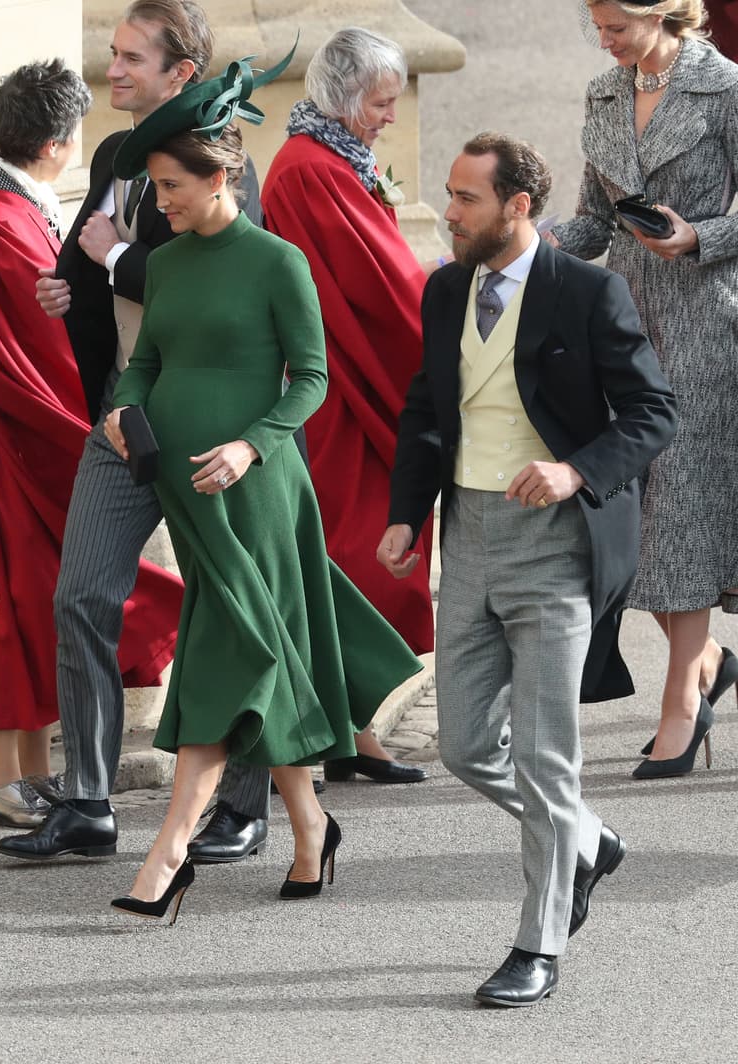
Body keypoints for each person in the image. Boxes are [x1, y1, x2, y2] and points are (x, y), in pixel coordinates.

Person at [102, 61, 423, 922]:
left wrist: (250, 446)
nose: (159, 202)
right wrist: (122, 413)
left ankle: (168, 852)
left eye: (171, 186)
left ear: (221, 176)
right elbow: (144, 366)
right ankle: (312, 826)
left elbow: (311, 379)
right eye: (157, 188)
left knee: (230, 648)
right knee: (261, 654)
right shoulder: (165, 265)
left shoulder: (278, 261)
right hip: (183, 489)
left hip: (258, 493)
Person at [379, 133, 677, 1006]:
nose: (449, 212)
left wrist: (575, 469)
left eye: (467, 198)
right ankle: (587, 838)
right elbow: (426, 408)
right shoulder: (444, 289)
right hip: (466, 537)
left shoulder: (588, 292)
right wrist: (406, 512)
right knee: (466, 746)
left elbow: (653, 412)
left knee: (548, 760)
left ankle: (537, 945)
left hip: (555, 549)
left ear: (518, 207)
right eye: (449, 194)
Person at [0, 0, 276, 864]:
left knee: (230, 608)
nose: (110, 69)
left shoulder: (225, 162)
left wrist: (112, 258)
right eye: (111, 53)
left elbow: (210, 289)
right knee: (80, 595)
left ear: (181, 74)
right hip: (120, 417)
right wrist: (67, 284)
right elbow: (90, 248)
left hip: (207, 430)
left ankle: (244, 800)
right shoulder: (118, 153)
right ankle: (87, 803)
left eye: (130, 58)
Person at [0, 60, 180, 827]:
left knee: (38, 597)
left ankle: (32, 770)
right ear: (54, 143)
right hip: (25, 442)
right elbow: (36, 354)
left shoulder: (8, 211)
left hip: (29, 436)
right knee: (26, 598)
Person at [548, 0, 738, 779]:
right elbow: (595, 222)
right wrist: (533, 241)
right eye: (596, 26)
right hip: (624, 325)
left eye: (615, 25)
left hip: (704, 321)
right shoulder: (603, 93)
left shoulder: (724, 88)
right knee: (642, 510)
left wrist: (698, 235)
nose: (604, 40)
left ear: (663, 13)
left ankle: (682, 703)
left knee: (683, 510)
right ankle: (707, 661)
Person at [261, 26, 434, 786]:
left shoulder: (323, 156)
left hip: (343, 384)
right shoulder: (311, 170)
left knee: (357, 559)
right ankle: (347, 733)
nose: (389, 117)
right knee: (358, 558)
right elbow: (383, 287)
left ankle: (351, 731)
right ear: (341, 96)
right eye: (380, 102)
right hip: (337, 394)